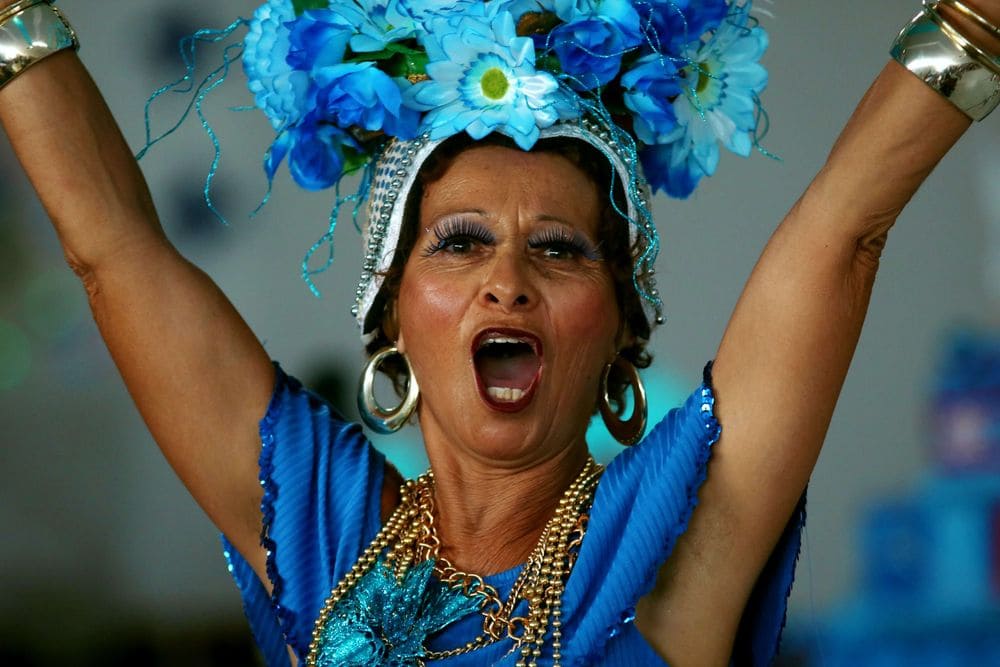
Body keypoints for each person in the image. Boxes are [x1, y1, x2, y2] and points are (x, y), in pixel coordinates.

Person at [1, 0, 998, 665]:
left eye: (560, 251)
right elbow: (112, 251)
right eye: (460, 245)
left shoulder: (662, 547)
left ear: (620, 339)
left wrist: (968, 26)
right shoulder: (321, 526)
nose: (507, 282)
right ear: (391, 318)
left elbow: (842, 234)